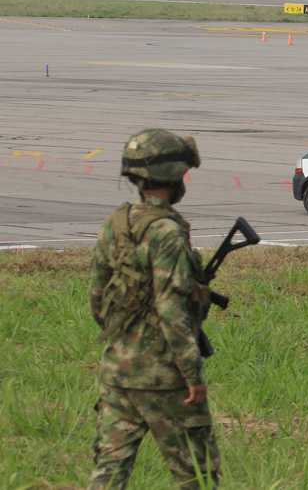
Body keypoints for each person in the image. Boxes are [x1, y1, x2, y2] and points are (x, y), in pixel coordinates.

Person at [89, 129, 219, 490]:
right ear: (175, 176)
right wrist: (192, 374)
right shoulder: (167, 233)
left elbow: (97, 300)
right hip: (164, 379)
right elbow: (170, 309)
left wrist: (125, 344)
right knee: (196, 475)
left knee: (108, 473)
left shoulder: (115, 224)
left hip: (117, 373)